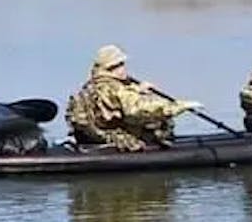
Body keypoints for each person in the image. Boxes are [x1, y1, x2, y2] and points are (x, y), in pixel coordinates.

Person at [66, 44, 201, 152]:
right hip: (115, 138)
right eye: (121, 64)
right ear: (112, 67)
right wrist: (178, 106)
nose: (124, 68)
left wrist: (137, 89)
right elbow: (139, 110)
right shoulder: (116, 88)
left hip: (95, 135)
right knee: (161, 124)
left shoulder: (93, 85)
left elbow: (114, 101)